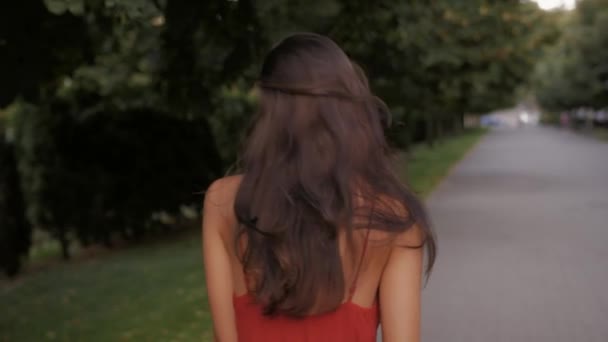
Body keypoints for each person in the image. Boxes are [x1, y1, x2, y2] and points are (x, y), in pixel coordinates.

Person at [202, 33, 436, 342]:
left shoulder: (223, 201)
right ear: (349, 107)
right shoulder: (392, 218)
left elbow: (225, 336)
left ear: (269, 111)